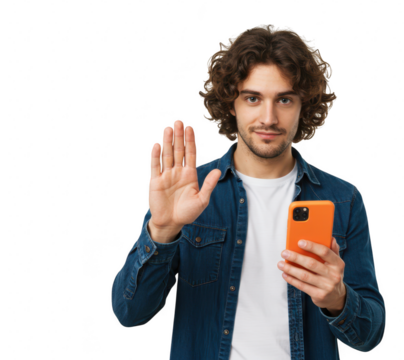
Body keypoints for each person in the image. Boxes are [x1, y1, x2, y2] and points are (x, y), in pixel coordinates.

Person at [111, 23, 386, 359]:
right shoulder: (188, 191)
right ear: (231, 103)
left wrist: (337, 298)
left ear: (304, 106)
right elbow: (130, 313)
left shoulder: (343, 199)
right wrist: (163, 231)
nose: (268, 118)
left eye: (284, 99)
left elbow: (369, 335)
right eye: (253, 98)